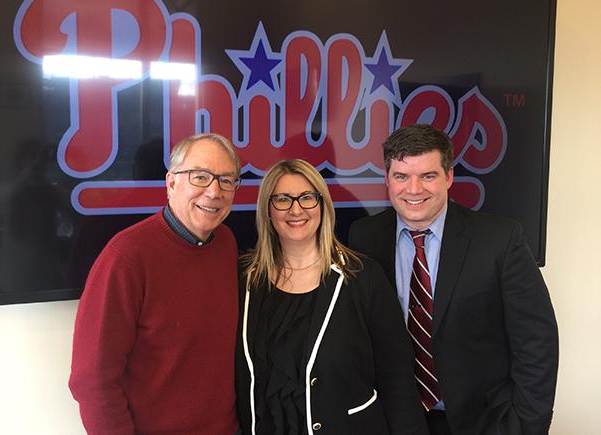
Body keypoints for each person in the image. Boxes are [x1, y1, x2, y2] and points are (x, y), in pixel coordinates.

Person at [349, 125, 558, 435]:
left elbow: (536, 342)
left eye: (428, 176)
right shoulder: (364, 237)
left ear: (448, 177)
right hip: (396, 420)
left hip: (483, 422)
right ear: (388, 179)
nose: (414, 189)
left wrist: (525, 425)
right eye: (402, 177)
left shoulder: (500, 239)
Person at [237, 159, 428, 435]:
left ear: (322, 204)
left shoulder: (364, 278)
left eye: (307, 198)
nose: (296, 209)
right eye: (282, 199)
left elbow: (397, 378)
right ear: (267, 209)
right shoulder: (244, 279)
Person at [69, 133, 242, 435]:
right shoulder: (126, 258)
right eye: (200, 177)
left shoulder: (226, 243)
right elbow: (92, 381)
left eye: (226, 180)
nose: (214, 191)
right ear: (172, 183)